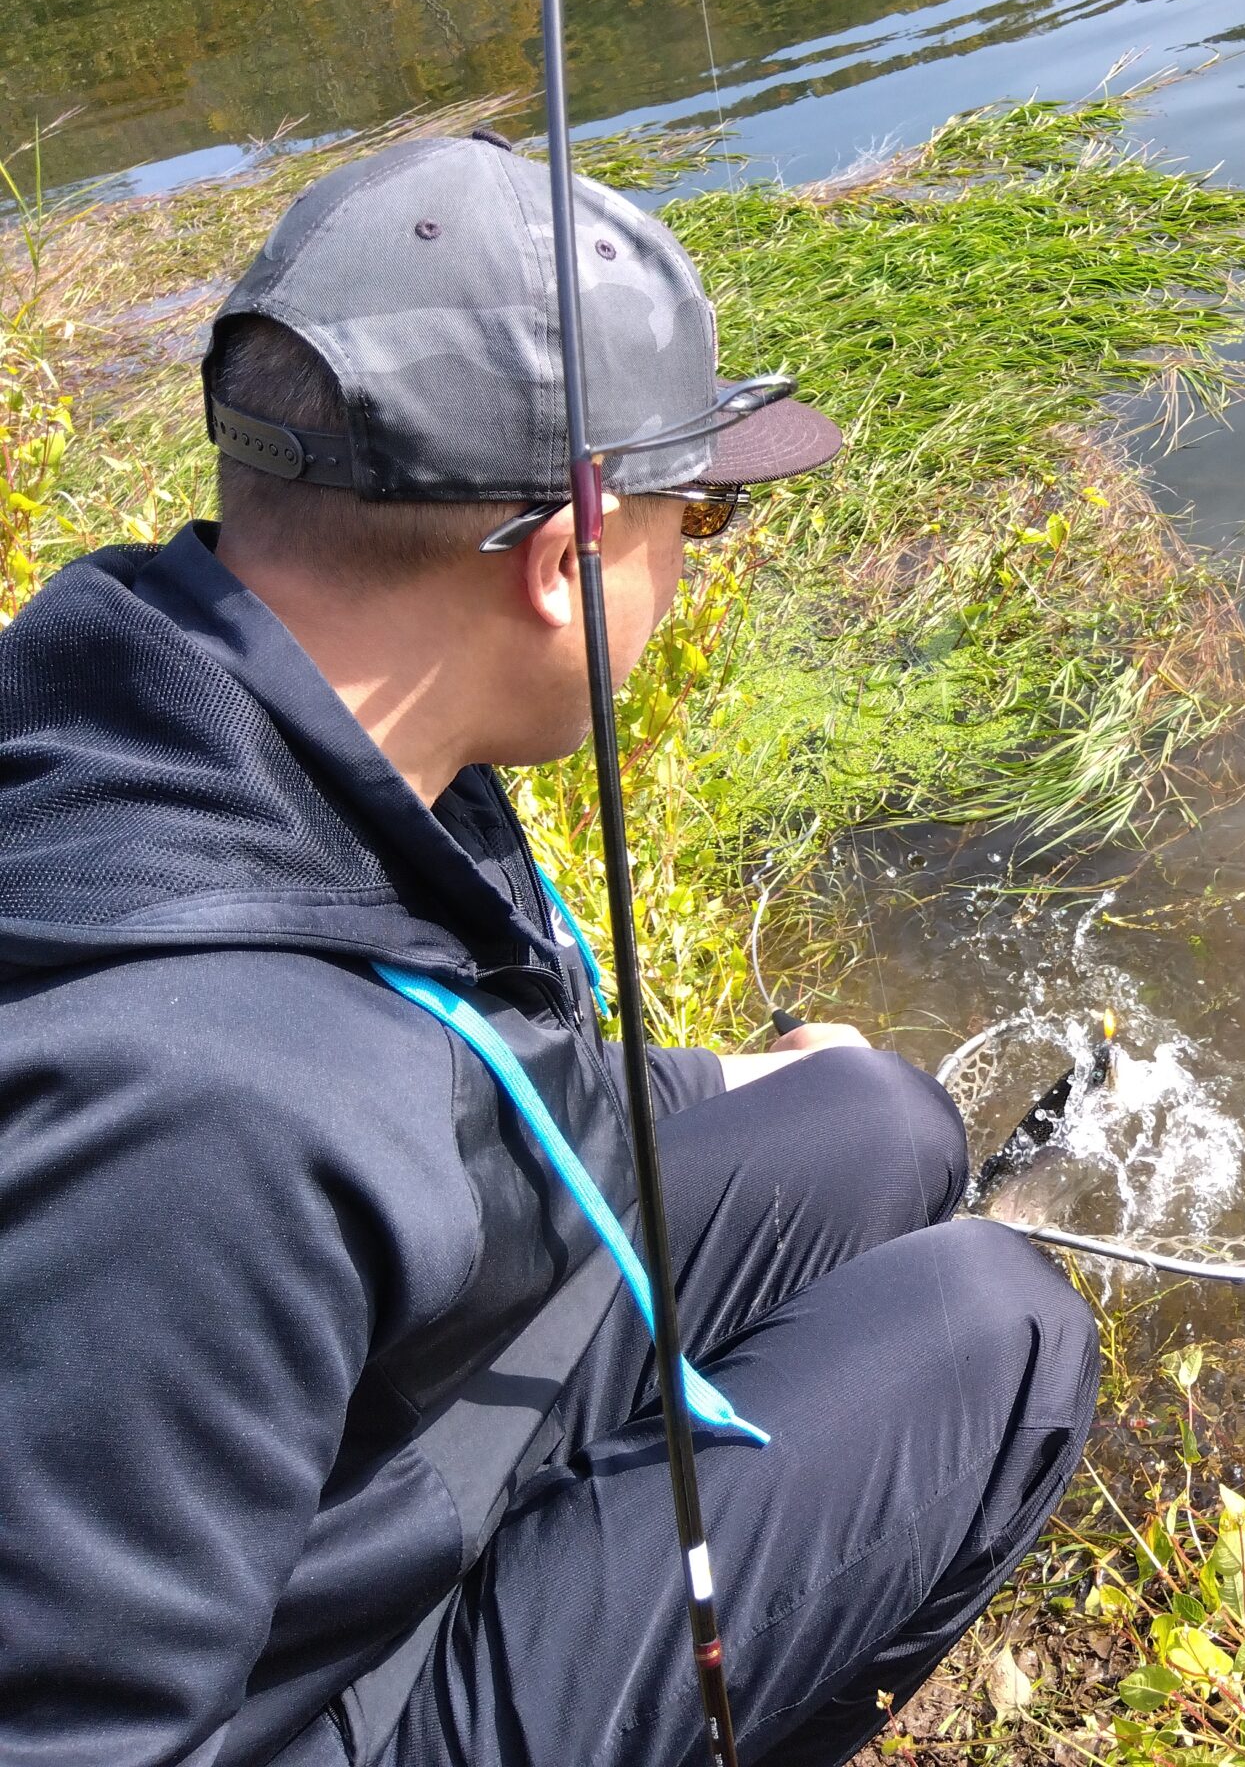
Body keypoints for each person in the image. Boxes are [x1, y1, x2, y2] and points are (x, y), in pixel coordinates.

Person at [0, 129, 1100, 1767]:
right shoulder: (195, 1119)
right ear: (564, 562)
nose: (702, 554)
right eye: (701, 517)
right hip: (307, 1688)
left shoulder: (275, 724)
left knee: (880, 1121)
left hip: (359, 1452)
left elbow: (454, 1078)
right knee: (1003, 1342)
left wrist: (737, 1071)